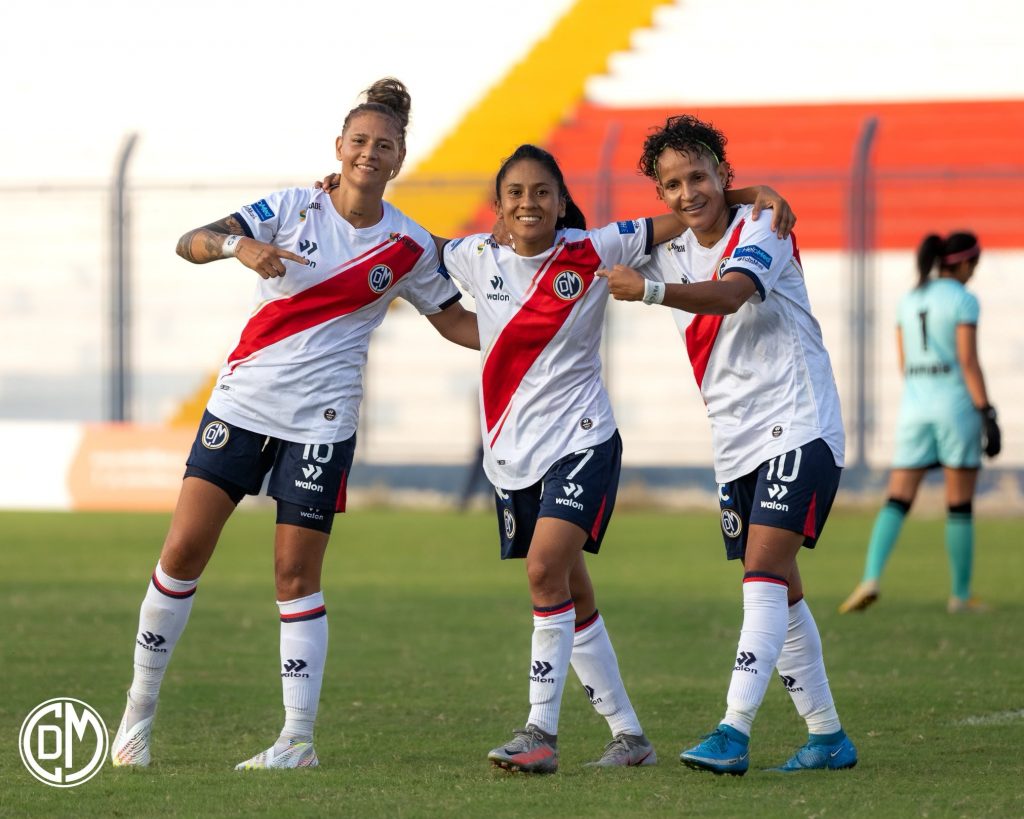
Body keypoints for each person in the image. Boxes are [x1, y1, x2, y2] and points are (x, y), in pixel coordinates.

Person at [109, 78, 479, 771]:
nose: (370, 153)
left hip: (323, 422)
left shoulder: (407, 245)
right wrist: (237, 247)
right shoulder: (288, 207)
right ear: (339, 149)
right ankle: (138, 712)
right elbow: (191, 241)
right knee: (183, 553)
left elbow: (453, 319)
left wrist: (530, 331)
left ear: (400, 159)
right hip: (243, 405)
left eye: (384, 145)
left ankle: (297, 740)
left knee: (294, 573)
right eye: (359, 142)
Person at [441, 143, 794, 773]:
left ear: (560, 201)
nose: (529, 203)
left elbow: (687, 212)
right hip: (512, 452)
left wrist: (750, 193)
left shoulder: (595, 248)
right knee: (568, 589)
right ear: (497, 207)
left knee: (544, 570)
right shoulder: (472, 257)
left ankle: (538, 733)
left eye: (542, 192)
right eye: (516, 193)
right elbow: (410, 246)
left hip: (583, 440)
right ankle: (629, 737)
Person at [599, 115, 856, 775]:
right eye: (674, 184)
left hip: (800, 424)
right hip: (736, 442)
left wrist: (651, 291)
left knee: (762, 577)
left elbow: (732, 293)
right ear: (662, 195)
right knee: (783, 587)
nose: (689, 192)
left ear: (723, 172)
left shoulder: (763, 226)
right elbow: (588, 246)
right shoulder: (672, 242)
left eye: (700, 176)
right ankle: (827, 736)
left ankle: (732, 730)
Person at [839, 231, 1000, 615]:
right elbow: (967, 360)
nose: (973, 273)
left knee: (897, 499)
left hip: (914, 408)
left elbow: (903, 364)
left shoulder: (909, 300)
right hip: (956, 407)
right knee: (959, 504)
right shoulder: (964, 300)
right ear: (960, 263)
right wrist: (987, 411)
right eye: (972, 265)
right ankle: (960, 595)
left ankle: (871, 577)